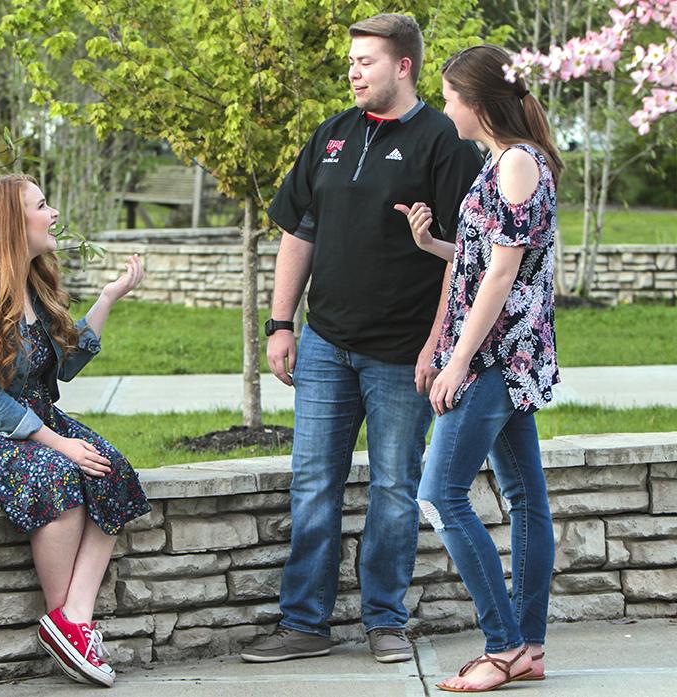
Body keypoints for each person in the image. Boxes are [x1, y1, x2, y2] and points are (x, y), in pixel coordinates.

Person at [241, 14, 482, 665]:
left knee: (395, 487)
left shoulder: (445, 143)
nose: (353, 70)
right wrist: (281, 321)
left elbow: (465, 258)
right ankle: (304, 623)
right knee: (313, 480)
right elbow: (300, 231)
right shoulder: (332, 136)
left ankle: (384, 619)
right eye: (351, 59)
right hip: (325, 344)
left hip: (402, 355)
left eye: (366, 60)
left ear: (403, 65)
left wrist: (437, 346)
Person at [0, 174, 151, 688]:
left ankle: (74, 621)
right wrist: (59, 442)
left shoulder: (35, 285)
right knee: (56, 475)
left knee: (111, 469)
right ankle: (67, 625)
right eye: (42, 206)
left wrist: (109, 297)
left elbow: (63, 364)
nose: (53, 214)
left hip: (34, 423)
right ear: (10, 223)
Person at [396, 44, 563, 692]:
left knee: (440, 492)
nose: (445, 107)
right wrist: (434, 243)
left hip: (497, 356)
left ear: (478, 100)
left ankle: (503, 645)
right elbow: (485, 254)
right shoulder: (505, 160)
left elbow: (501, 274)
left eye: (450, 96)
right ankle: (528, 648)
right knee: (524, 498)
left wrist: (456, 360)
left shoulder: (517, 162)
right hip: (502, 352)